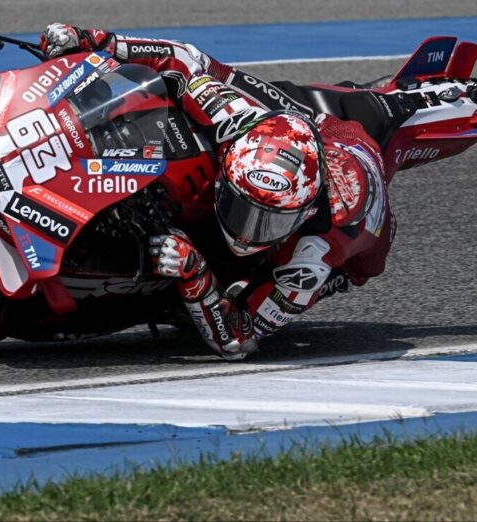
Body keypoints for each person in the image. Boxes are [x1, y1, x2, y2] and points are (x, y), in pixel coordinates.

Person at [40, 23, 396, 361]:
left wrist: (197, 277)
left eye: (269, 223)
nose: (247, 234)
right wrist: (93, 39)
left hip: (359, 209)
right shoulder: (233, 119)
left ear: (304, 213)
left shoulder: (312, 255)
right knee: (221, 82)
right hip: (312, 130)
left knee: (363, 268)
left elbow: (238, 341)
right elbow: (181, 58)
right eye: (243, 210)